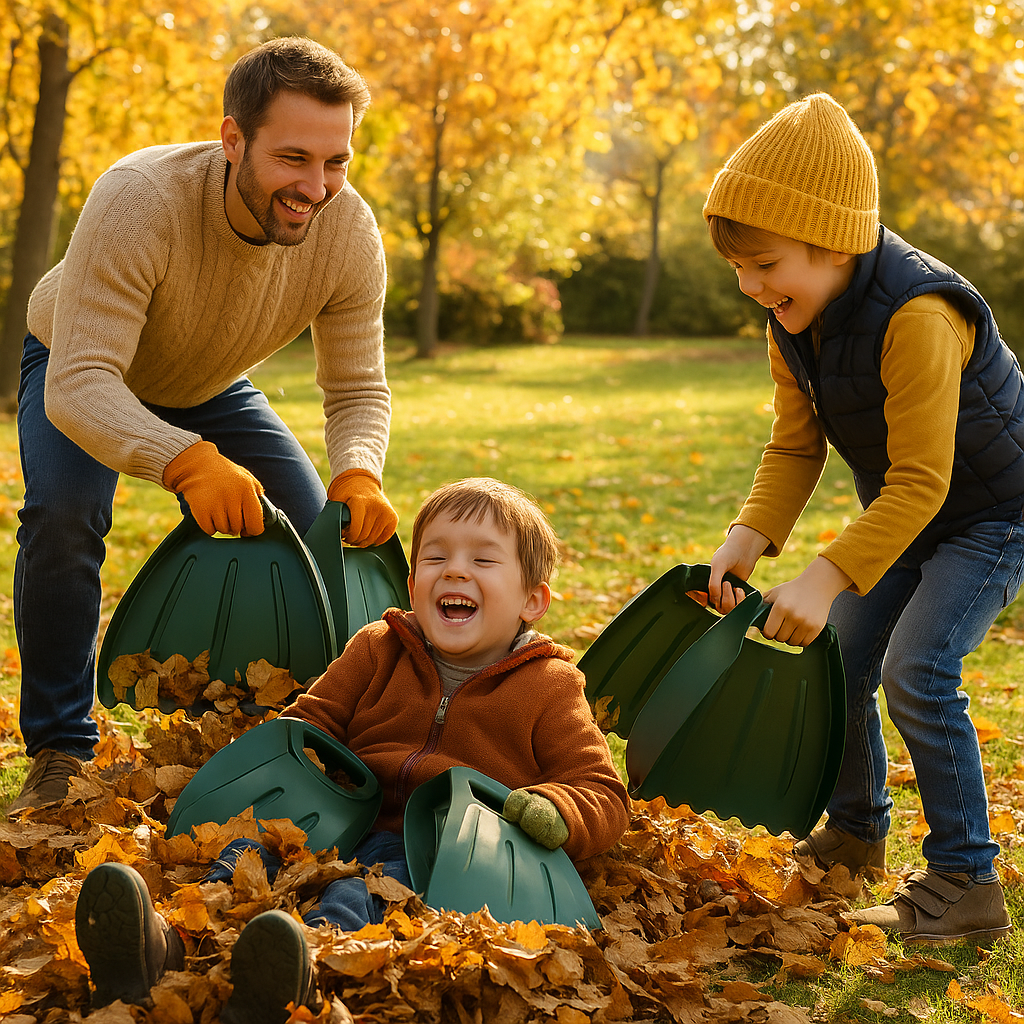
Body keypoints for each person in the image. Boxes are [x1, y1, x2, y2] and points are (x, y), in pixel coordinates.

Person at [8, 37, 399, 814]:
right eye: (292, 158)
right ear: (232, 140)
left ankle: (292, 734)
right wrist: (185, 462)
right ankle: (58, 748)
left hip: (213, 382)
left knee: (319, 535)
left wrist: (358, 467)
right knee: (62, 517)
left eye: (336, 163)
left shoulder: (348, 231)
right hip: (84, 364)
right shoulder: (139, 198)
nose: (316, 188)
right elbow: (81, 384)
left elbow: (358, 388)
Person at [74, 477, 631, 1022]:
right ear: (413, 585)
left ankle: (295, 974)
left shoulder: (550, 686)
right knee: (249, 858)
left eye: (483, 561)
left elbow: (601, 791)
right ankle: (161, 945)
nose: (456, 570)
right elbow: (312, 720)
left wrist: (554, 808)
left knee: (355, 891)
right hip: (336, 814)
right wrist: (290, 763)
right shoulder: (378, 648)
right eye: (436, 558)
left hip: (435, 850)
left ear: (533, 601)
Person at [701, 93, 1024, 946]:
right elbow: (795, 447)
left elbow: (921, 478)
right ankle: (856, 833)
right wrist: (747, 539)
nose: (752, 287)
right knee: (838, 657)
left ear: (834, 242)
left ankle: (965, 881)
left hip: (997, 515)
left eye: (766, 264)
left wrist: (824, 574)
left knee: (918, 670)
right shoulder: (794, 321)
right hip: (911, 515)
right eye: (739, 270)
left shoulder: (919, 317)